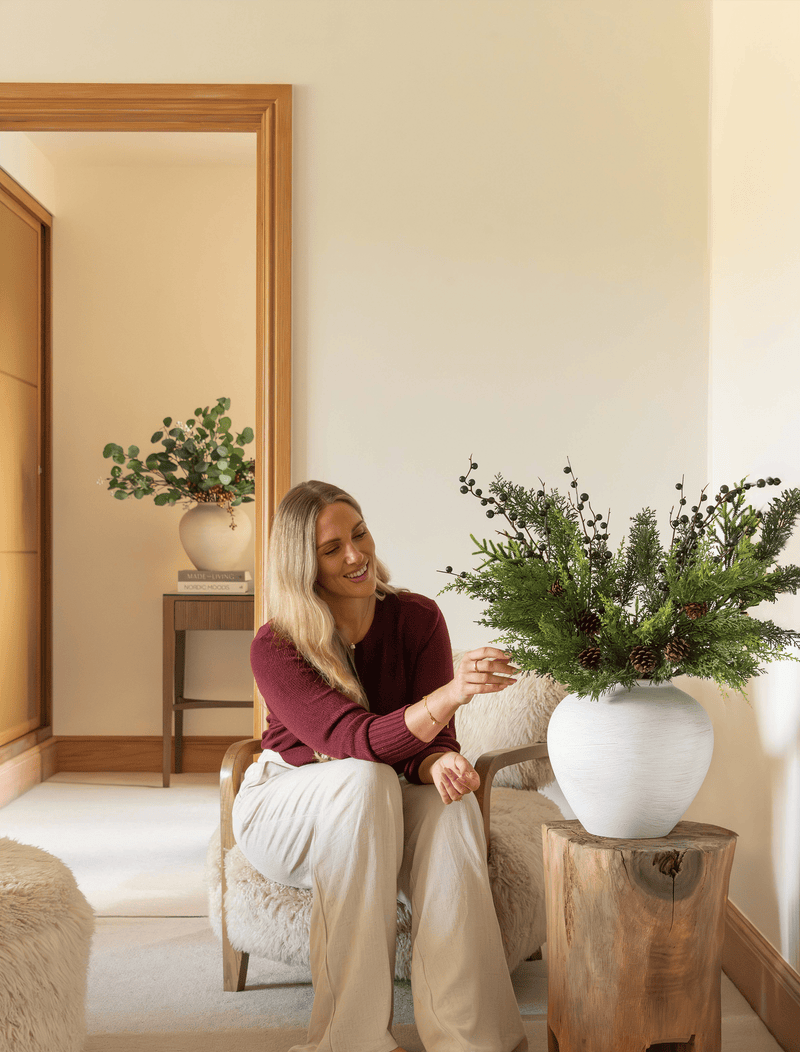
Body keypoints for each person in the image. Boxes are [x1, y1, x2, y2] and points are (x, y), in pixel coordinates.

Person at [232, 480, 527, 1052]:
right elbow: (353, 739)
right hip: (288, 806)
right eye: (332, 548)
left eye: (359, 534)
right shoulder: (277, 644)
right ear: (304, 566)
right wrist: (450, 695)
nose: (355, 555)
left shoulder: (417, 618)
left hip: (383, 791)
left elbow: (428, 745)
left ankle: (471, 1040)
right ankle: (351, 1040)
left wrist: (440, 763)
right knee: (361, 776)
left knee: (453, 811)